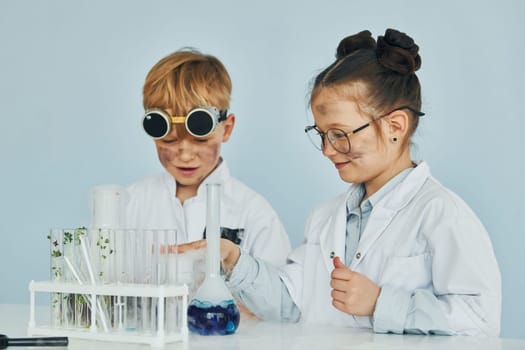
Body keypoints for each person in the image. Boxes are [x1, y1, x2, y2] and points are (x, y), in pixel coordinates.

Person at [181, 29, 501, 336]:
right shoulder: (325, 218)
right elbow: (289, 303)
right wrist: (234, 260)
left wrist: (380, 303)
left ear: (396, 126)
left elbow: (481, 320)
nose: (327, 150)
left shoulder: (441, 214)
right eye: (321, 135)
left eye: (339, 134)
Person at [124, 49, 291, 300]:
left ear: (227, 128)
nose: (185, 154)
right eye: (169, 140)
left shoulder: (253, 213)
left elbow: (281, 301)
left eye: (200, 139)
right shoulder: (130, 202)